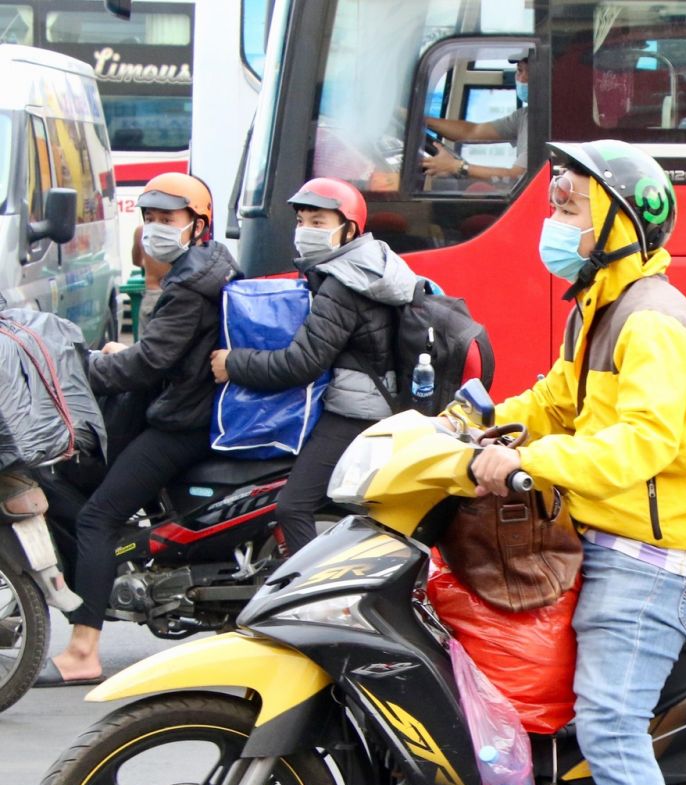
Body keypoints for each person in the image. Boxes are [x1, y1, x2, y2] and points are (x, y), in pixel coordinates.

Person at [469, 140, 686, 785]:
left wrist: (528, 466)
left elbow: (644, 443)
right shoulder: (600, 307)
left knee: (610, 720)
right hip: (605, 535)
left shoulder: (653, 315)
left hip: (661, 554)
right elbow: (557, 398)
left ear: (625, 218)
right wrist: (476, 422)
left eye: (573, 206)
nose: (557, 221)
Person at [43, 174, 239, 686]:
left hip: (181, 422)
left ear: (197, 225)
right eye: (149, 218)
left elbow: (145, 366)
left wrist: (68, 366)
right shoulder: (203, 267)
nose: (154, 229)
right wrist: (113, 355)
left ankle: (84, 649)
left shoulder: (191, 286)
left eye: (167, 220)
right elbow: (156, 356)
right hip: (180, 405)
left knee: (97, 517)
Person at [211, 178, 418, 554]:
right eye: (302, 221)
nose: (305, 231)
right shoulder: (374, 264)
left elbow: (300, 364)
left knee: (294, 507)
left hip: (357, 413)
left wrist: (234, 363)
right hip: (384, 405)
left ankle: (311, 597)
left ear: (348, 229)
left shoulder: (343, 284)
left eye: (318, 222)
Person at [422, 56, 529, 184]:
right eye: (520, 70)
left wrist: (455, 166)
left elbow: (516, 177)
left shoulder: (545, 123)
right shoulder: (525, 116)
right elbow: (471, 131)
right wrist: (422, 121)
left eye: (531, 73)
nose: (522, 79)